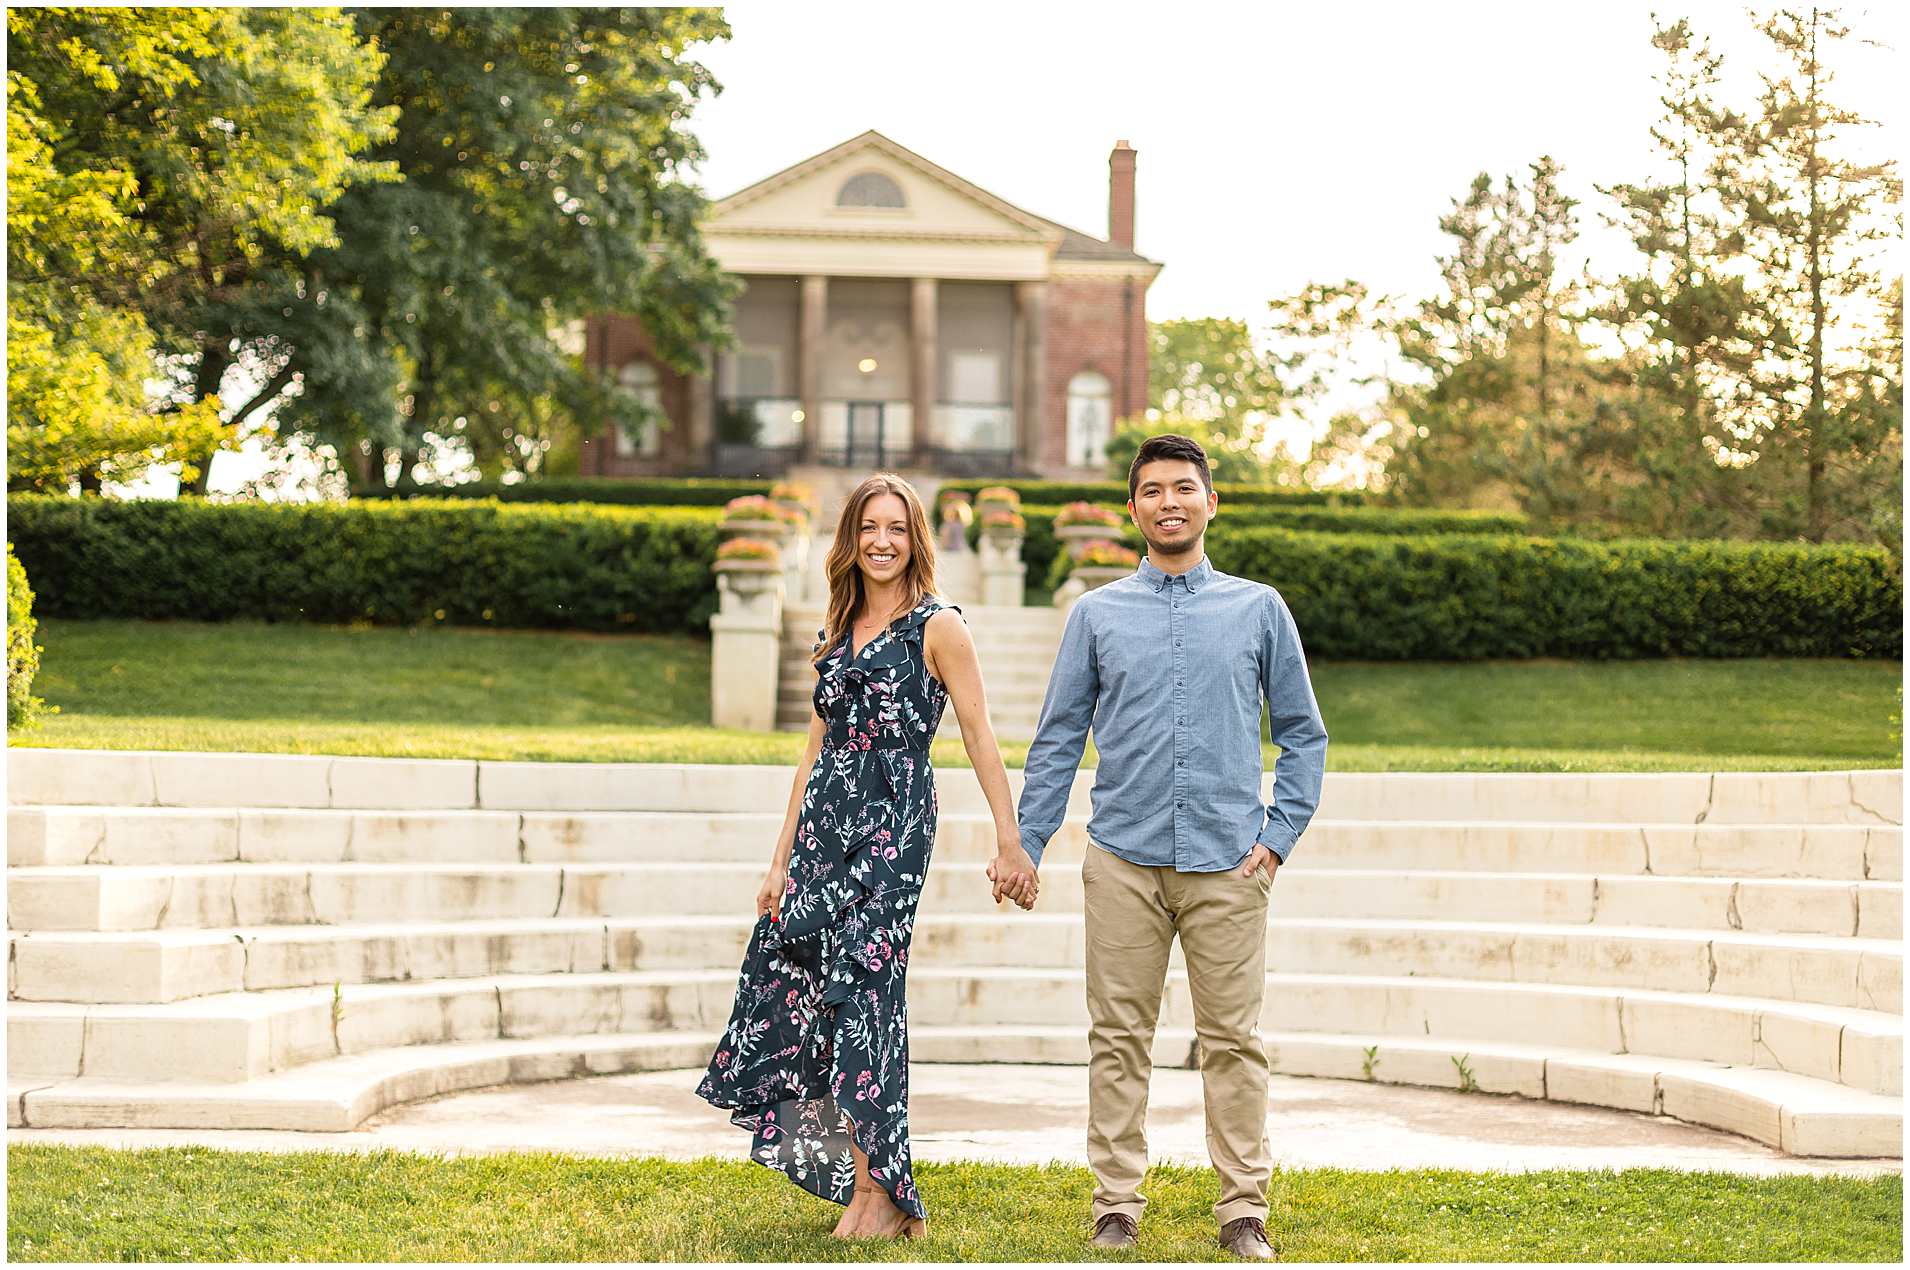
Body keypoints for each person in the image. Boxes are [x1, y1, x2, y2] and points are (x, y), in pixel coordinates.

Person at [695, 472, 1040, 1241]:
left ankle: (879, 1192)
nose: (882, 541)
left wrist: (1009, 838)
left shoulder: (938, 627)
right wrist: (779, 861)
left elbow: (979, 735)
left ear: (916, 539)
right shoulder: (837, 628)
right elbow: (811, 756)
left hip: (892, 828)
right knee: (809, 985)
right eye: (868, 527)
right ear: (850, 539)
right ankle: (876, 1187)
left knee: (866, 993)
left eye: (897, 528)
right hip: (824, 829)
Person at [1015, 434, 1329, 1261]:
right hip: (1123, 856)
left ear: (1210, 502)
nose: (1169, 503)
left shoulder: (1260, 609)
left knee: (1233, 1043)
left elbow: (1304, 734)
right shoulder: (1097, 615)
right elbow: (1058, 738)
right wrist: (1028, 839)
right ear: (1133, 510)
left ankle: (1243, 1211)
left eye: (1183, 488)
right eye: (1152, 490)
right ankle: (1116, 1206)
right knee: (1117, 1039)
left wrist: (1277, 838)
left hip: (1231, 862)